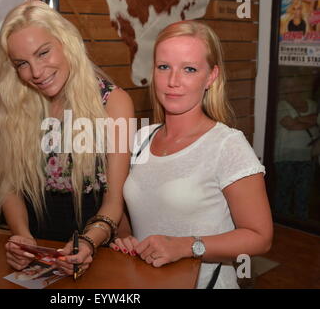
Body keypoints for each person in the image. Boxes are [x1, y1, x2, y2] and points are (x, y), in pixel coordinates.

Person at [110, 20, 273, 289]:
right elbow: (130, 211)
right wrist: (125, 236)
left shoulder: (227, 145)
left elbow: (260, 237)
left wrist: (187, 246)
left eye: (189, 69)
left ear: (211, 76)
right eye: (164, 67)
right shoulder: (140, 138)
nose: (173, 81)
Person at [0, 0, 134, 277]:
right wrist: (23, 238)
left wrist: (87, 243)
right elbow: (8, 186)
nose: (36, 73)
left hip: (99, 251)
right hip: (40, 258)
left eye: (43, 53)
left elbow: (114, 202)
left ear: (66, 42)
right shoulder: (14, 107)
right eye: (22, 64)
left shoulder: (113, 103)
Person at [274, 93, 319, 220]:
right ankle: (282, 223)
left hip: (308, 155)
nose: (295, 89)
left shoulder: (313, 104)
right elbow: (291, 125)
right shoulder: (282, 104)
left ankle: (301, 224)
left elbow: (317, 118)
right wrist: (313, 120)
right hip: (286, 156)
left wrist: (299, 118)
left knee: (304, 193)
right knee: (284, 192)